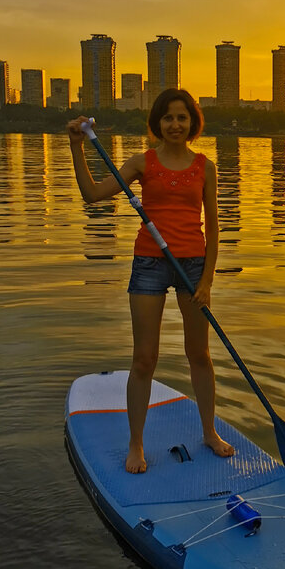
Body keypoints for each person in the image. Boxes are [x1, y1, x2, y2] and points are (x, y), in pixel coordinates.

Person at [68, 88, 235, 473]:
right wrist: (77, 147)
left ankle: (209, 432)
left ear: (193, 123)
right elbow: (93, 195)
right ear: (157, 123)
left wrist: (207, 281)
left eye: (182, 118)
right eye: (168, 118)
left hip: (193, 266)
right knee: (144, 358)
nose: (175, 125)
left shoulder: (204, 166)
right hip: (149, 263)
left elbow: (213, 227)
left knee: (200, 354)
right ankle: (137, 444)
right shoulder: (142, 163)